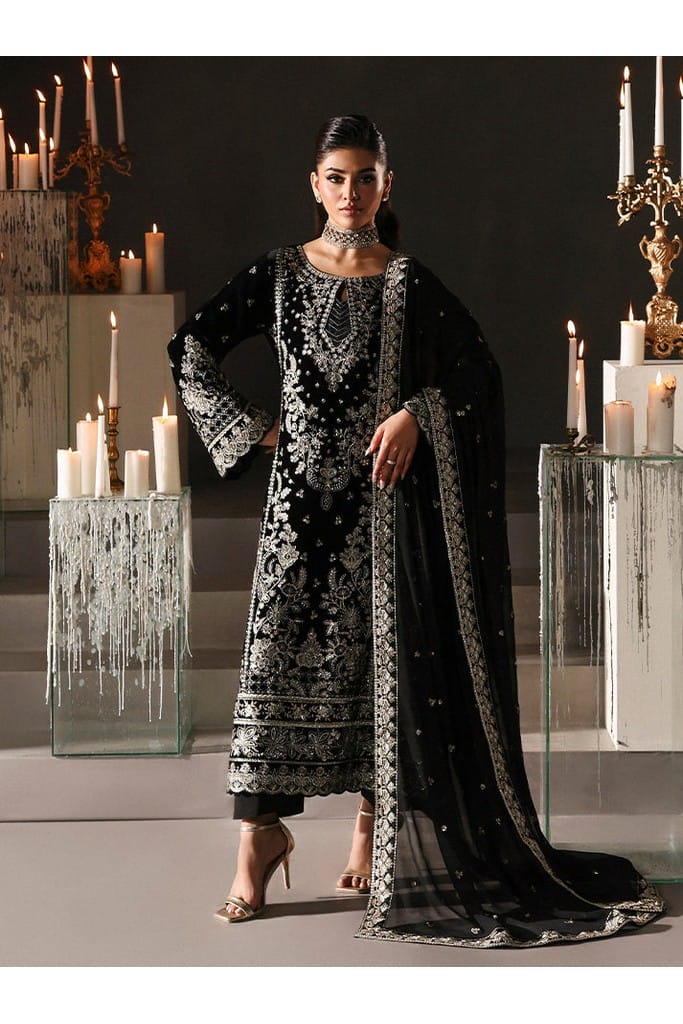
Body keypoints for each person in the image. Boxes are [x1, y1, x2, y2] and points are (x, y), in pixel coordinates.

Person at [168, 114, 664, 947]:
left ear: (385, 184)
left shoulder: (406, 283)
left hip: (383, 511)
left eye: (365, 177)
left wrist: (414, 414)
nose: (350, 193)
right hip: (296, 515)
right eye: (336, 178)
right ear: (314, 184)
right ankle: (258, 841)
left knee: (383, 665)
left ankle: (373, 831)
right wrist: (253, 428)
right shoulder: (278, 275)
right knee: (274, 661)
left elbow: (477, 373)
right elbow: (190, 348)